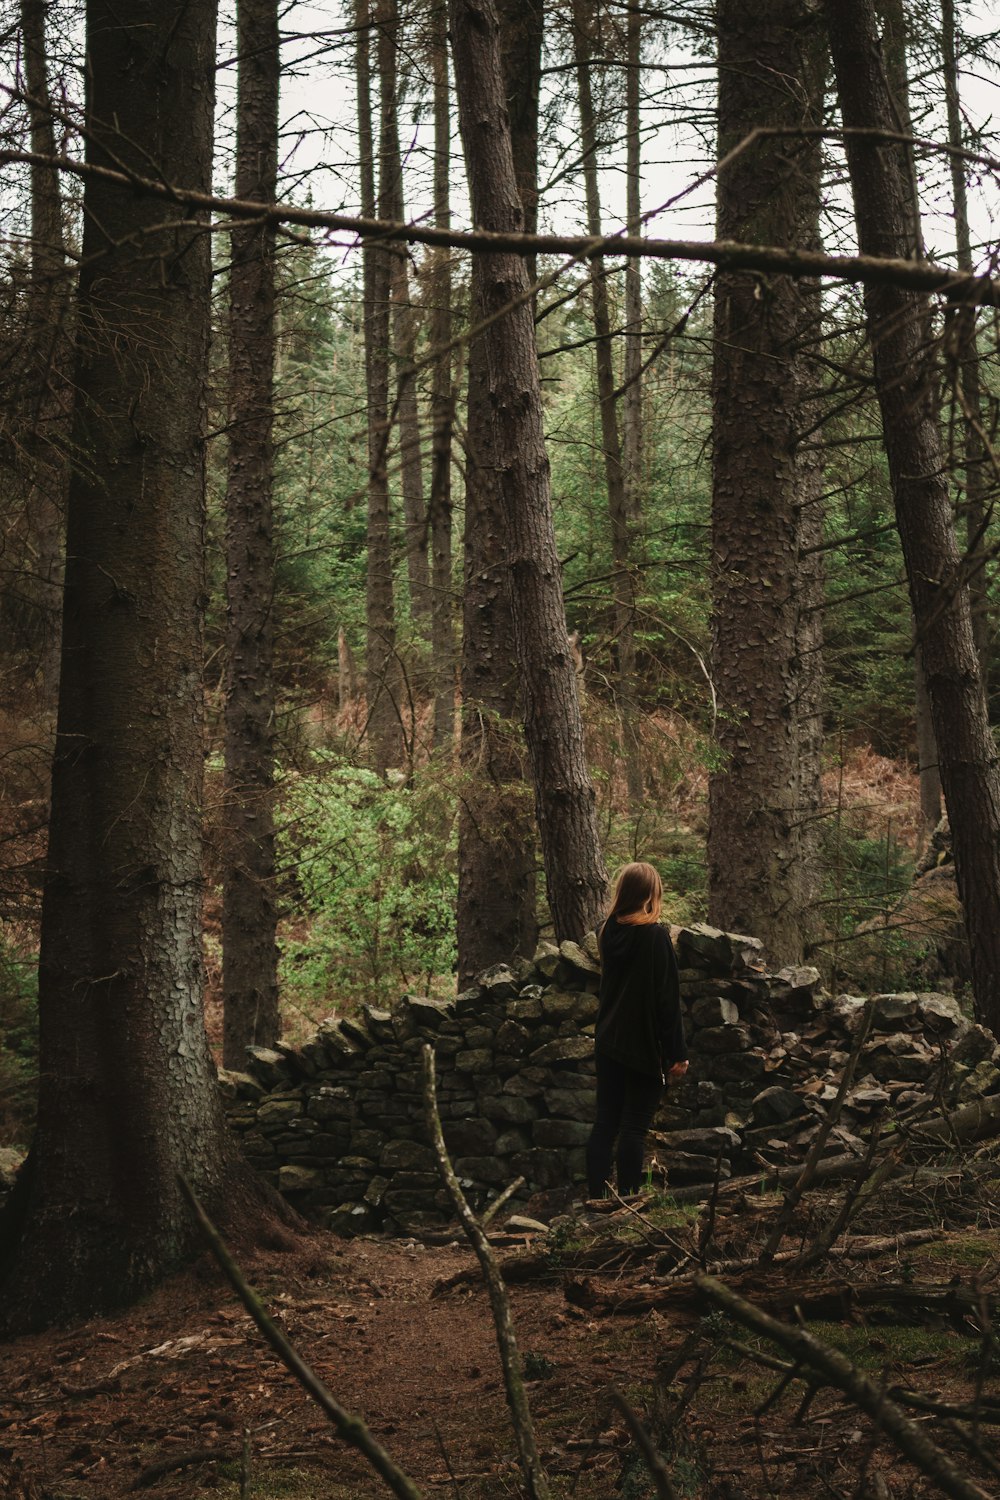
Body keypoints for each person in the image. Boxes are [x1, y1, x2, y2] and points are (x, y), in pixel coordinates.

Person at [585, 861, 689, 1199]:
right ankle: (628, 1201)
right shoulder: (655, 936)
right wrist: (677, 1053)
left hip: (608, 1041)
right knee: (632, 1128)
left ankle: (596, 1198)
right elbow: (667, 1001)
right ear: (649, 894)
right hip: (641, 1044)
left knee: (605, 1125)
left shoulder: (606, 931)